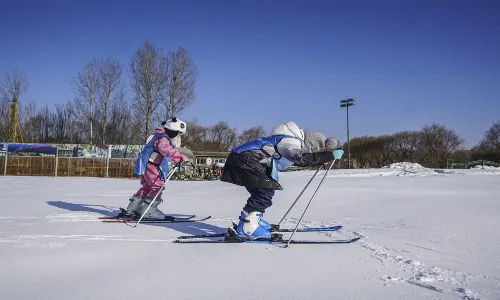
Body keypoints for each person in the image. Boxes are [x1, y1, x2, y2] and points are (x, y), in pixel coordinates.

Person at [220, 121, 344, 240]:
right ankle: (248, 227)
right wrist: (330, 156)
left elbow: (299, 160)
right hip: (246, 159)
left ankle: (251, 220)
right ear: (310, 145)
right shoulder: (290, 142)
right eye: (313, 150)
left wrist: (322, 158)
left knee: (262, 191)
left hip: (242, 159)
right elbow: (300, 158)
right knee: (264, 191)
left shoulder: (288, 139)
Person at [125, 117, 188, 219]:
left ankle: (133, 208)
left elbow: (160, 152)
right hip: (152, 166)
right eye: (177, 133)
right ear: (172, 130)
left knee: (146, 187)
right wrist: (178, 154)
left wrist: (175, 158)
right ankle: (150, 210)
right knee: (157, 186)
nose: (177, 136)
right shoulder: (163, 138)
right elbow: (165, 149)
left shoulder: (156, 135)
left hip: (145, 165)